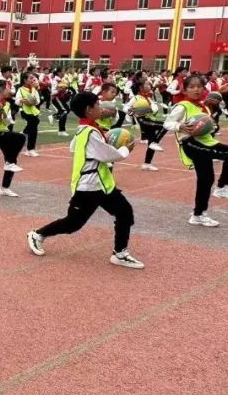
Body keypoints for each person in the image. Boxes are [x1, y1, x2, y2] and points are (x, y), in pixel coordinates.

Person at [26, 91, 143, 269]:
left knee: (124, 212)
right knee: (73, 224)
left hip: (102, 185)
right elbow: (109, 156)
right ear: (89, 109)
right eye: (97, 105)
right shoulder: (90, 132)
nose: (101, 108)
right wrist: (126, 149)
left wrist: (102, 140)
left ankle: (120, 253)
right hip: (88, 188)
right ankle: (37, 234)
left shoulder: (85, 129)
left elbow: (74, 147)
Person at [164, 74, 228, 227]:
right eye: (192, 87)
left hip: (206, 142)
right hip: (190, 143)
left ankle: (198, 214)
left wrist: (210, 124)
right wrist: (179, 126)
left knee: (207, 179)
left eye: (199, 86)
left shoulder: (203, 106)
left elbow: (207, 126)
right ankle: (222, 188)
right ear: (184, 90)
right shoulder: (182, 106)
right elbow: (168, 123)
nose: (196, 89)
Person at [0, 79, 27, 197]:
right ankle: (9, 163)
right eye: (8, 88)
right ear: (2, 89)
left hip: (3, 132)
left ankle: (4, 188)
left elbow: (8, 122)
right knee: (20, 138)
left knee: (12, 159)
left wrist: (4, 116)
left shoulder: (6, 104)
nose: (10, 90)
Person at [16, 72, 41, 157]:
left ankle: (29, 146)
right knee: (34, 124)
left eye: (33, 78)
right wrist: (22, 101)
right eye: (30, 78)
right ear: (25, 80)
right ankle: (30, 149)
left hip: (33, 110)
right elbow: (17, 101)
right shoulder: (20, 89)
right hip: (24, 110)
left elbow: (38, 100)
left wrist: (33, 101)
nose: (32, 80)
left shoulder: (34, 89)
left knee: (34, 126)